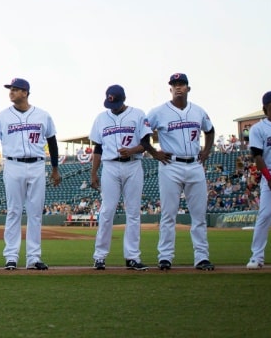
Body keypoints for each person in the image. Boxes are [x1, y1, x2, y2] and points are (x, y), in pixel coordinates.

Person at [0, 78, 60, 270]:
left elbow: (53, 143)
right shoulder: (2, 116)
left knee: (35, 213)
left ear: (25, 92)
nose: (11, 92)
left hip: (37, 165)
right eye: (10, 89)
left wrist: (55, 169)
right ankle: (11, 256)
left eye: (15, 89)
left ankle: (34, 258)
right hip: (13, 165)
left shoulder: (43, 115)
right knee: (13, 211)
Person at [146, 73, 215, 271]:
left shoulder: (198, 111)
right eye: (174, 84)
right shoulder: (158, 111)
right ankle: (165, 257)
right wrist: (153, 152)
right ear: (170, 89)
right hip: (171, 164)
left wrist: (207, 150)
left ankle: (202, 257)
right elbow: (143, 133)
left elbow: (209, 131)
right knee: (168, 214)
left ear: (188, 88)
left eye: (181, 84)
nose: (178, 87)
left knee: (199, 215)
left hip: (194, 164)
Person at [88, 85, 153, 271]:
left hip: (133, 164)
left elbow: (146, 143)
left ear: (123, 99)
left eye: (116, 103)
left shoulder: (138, 114)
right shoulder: (101, 118)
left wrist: (132, 150)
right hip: (109, 166)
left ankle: (132, 257)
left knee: (133, 212)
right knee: (107, 211)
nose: (113, 107)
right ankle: (99, 257)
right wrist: (93, 173)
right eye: (110, 103)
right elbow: (98, 148)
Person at [246, 91, 271, 269]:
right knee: (264, 216)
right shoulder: (259, 128)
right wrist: (269, 178)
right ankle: (257, 256)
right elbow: (257, 156)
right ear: (265, 108)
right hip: (270, 172)